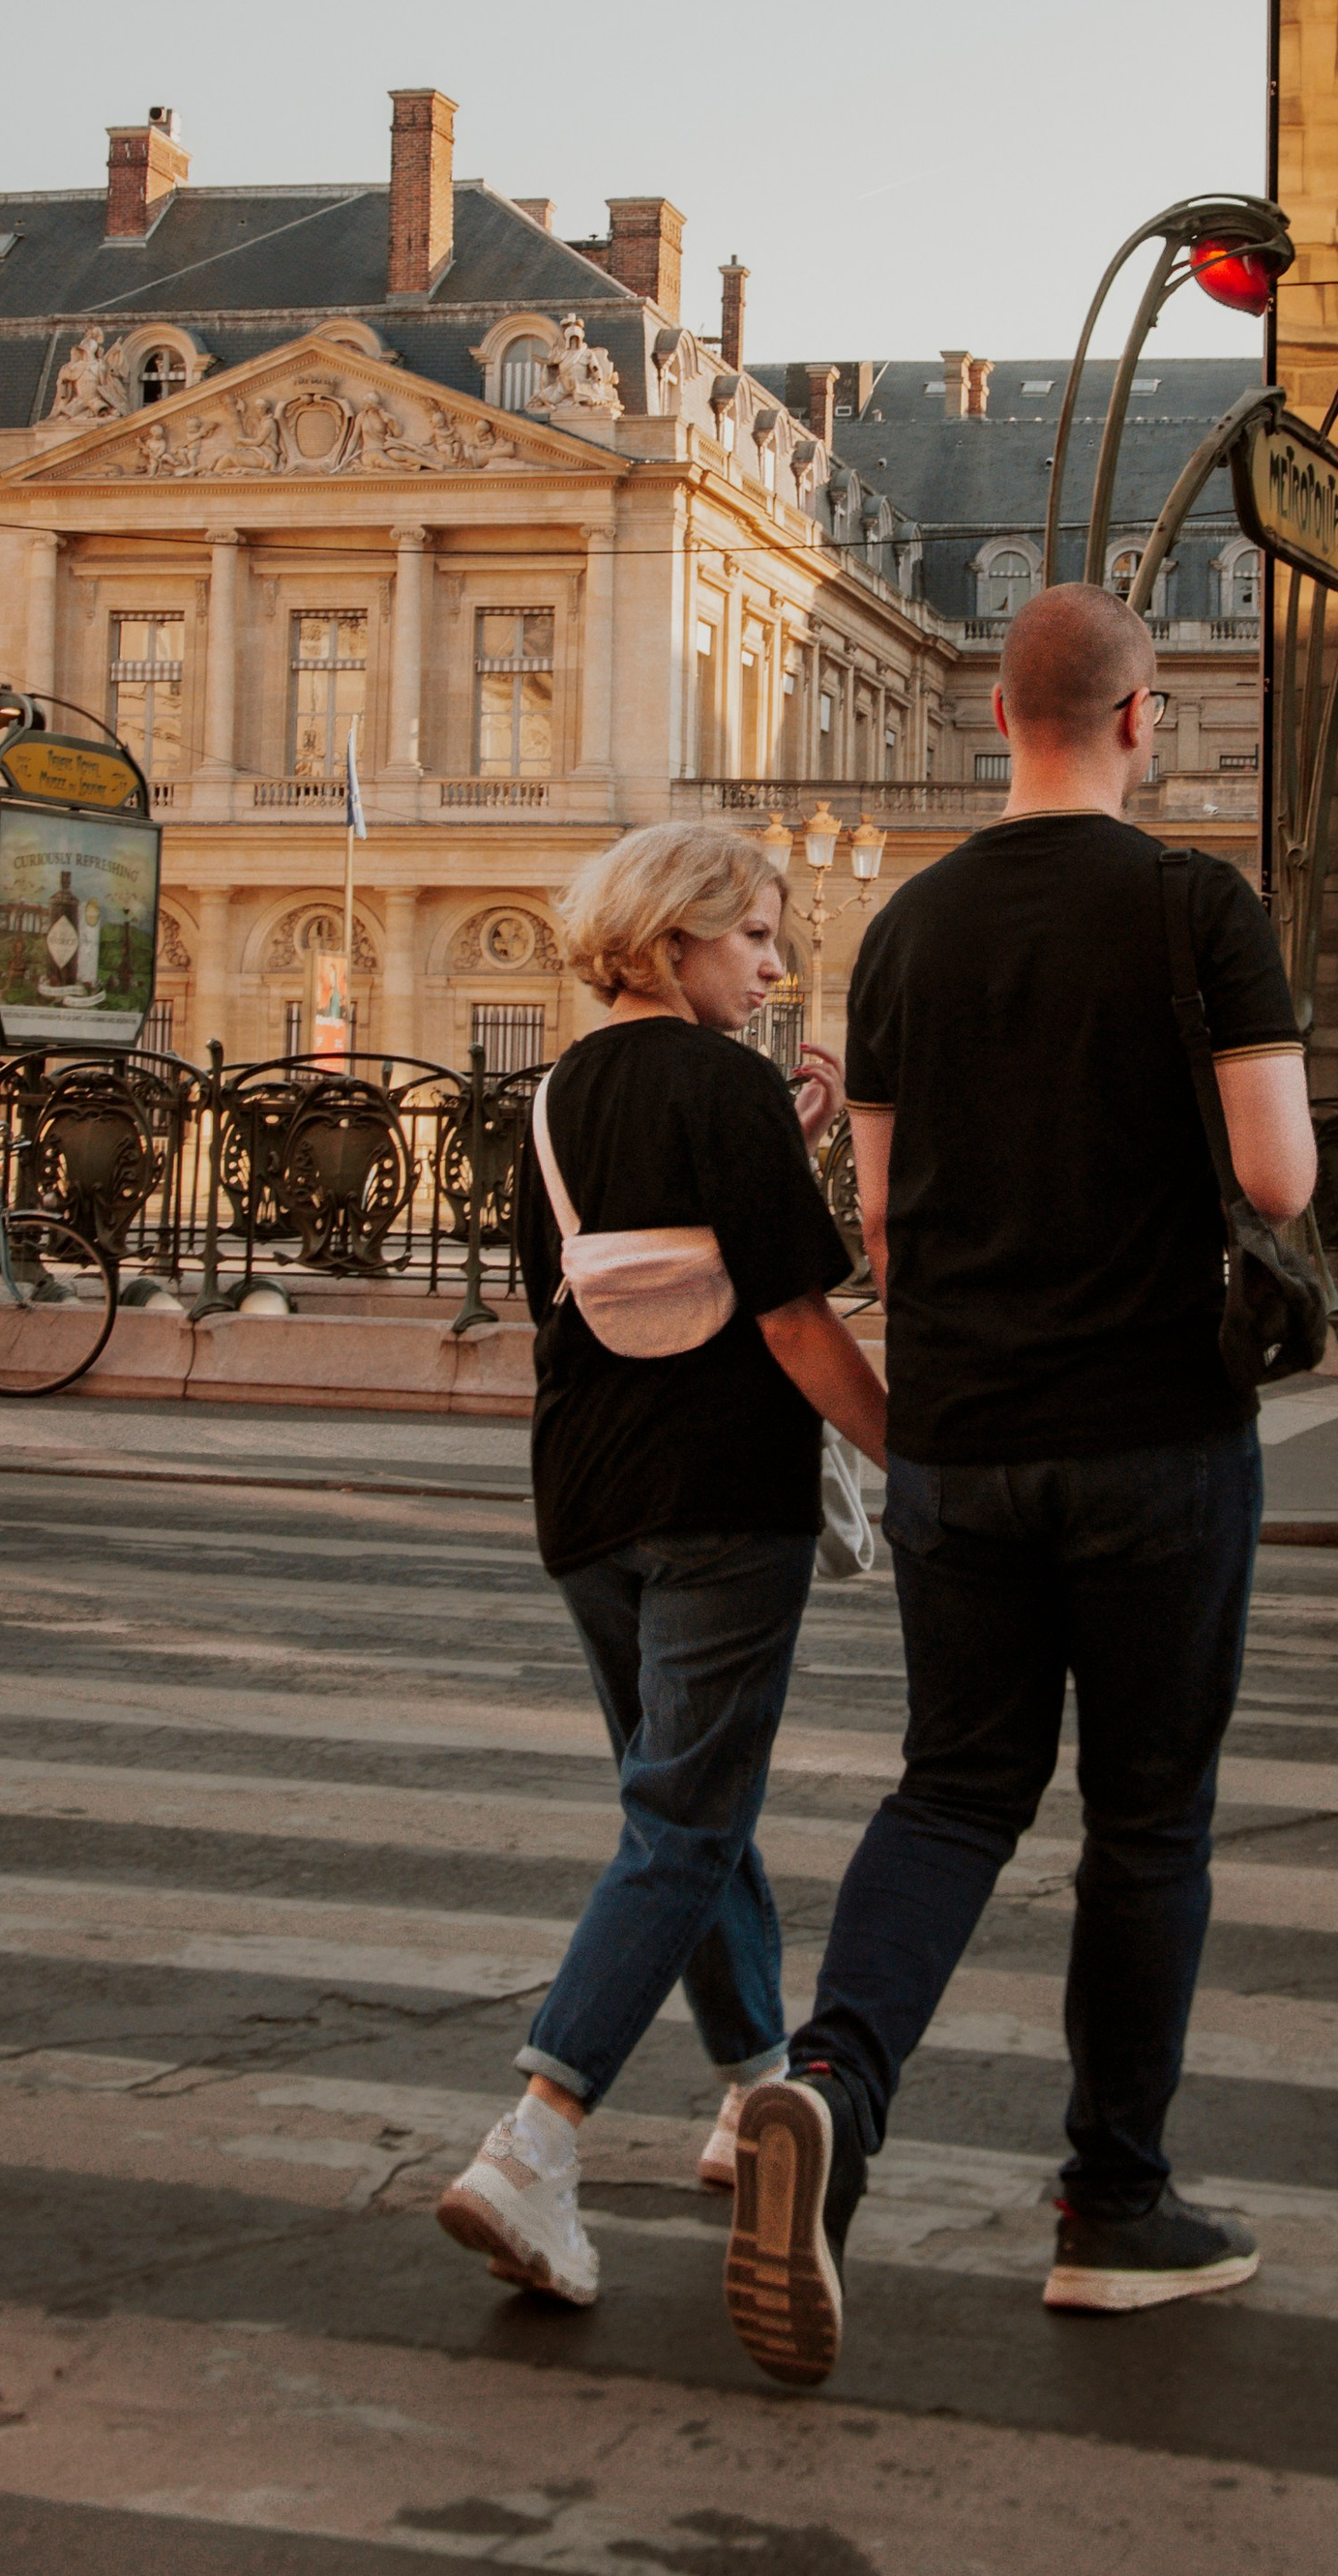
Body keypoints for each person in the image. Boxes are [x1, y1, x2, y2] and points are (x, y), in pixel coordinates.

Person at [723, 582, 1316, 2387]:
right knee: (1146, 1819)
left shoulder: (899, 930)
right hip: (1154, 1434)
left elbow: (881, 1225)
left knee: (956, 1786)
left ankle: (831, 2090)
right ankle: (1111, 2210)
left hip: (962, 1440)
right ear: (1146, 722)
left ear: (997, 716)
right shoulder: (1199, 909)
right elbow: (1278, 1181)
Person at [436, 820, 888, 2307]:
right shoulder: (729, 1083)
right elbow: (797, 1317)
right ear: (680, 934)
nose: (775, 965)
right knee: (684, 1821)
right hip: (719, 1500)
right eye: (756, 936)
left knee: (689, 1807)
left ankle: (755, 2092)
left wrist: (786, 1141)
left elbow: (553, 1290)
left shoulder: (559, 1094)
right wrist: (917, 1462)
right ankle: (535, 2142)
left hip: (586, 1502)